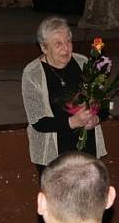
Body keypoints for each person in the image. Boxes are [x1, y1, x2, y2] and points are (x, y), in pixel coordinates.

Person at [21, 16, 106, 171]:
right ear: (44, 47)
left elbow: (104, 103)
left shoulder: (83, 63)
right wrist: (72, 122)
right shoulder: (32, 73)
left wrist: (96, 118)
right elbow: (37, 121)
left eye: (68, 41)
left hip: (87, 149)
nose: (66, 48)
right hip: (54, 155)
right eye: (58, 44)